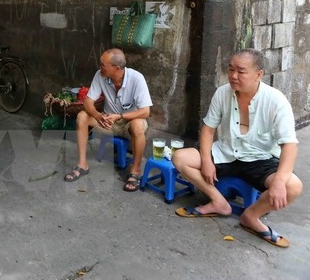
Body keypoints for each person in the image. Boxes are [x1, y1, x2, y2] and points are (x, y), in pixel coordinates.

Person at [173, 49, 302, 248]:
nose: (233, 75)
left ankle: (251, 216)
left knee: (292, 186)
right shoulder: (222, 93)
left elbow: (290, 145)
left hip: (260, 158)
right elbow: (208, 130)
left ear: (259, 74)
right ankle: (219, 203)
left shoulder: (276, 101)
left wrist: (279, 182)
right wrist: (206, 160)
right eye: (231, 69)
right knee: (180, 157)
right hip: (225, 152)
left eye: (241, 71)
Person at [64, 48, 152, 192]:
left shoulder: (136, 79)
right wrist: (98, 116)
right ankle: (82, 164)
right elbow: (88, 103)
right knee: (82, 116)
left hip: (129, 123)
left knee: (137, 125)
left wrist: (120, 116)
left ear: (116, 68)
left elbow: (146, 111)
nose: (100, 67)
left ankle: (136, 171)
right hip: (107, 121)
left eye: (103, 64)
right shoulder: (100, 75)